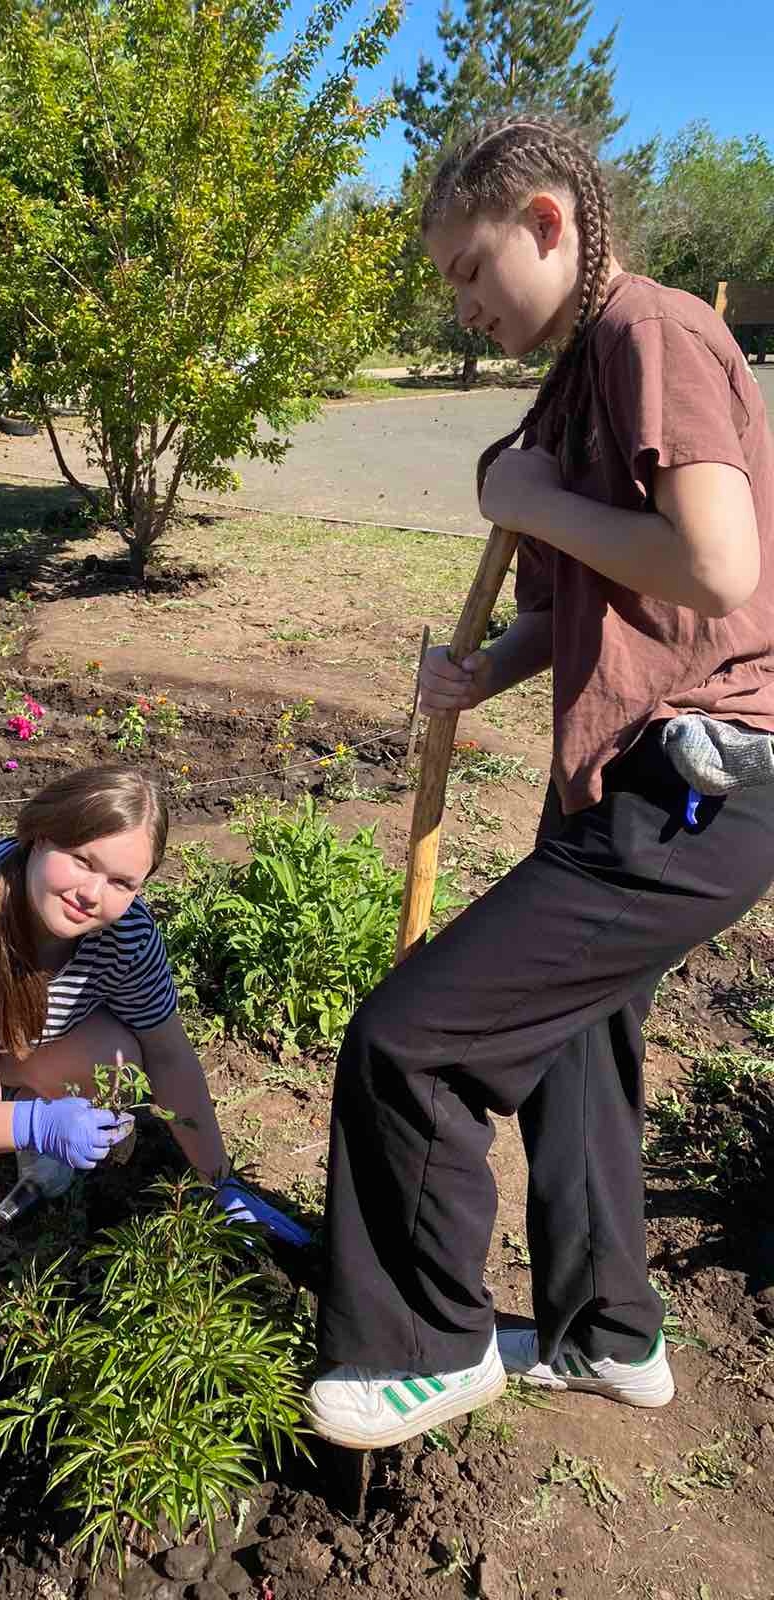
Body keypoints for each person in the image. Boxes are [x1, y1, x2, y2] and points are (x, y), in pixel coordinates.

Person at [306, 114, 774, 1450]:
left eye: (469, 266)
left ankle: (428, 1344)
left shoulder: (653, 333)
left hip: (702, 789)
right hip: (643, 787)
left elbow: (717, 565)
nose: (461, 302)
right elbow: (602, 606)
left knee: (411, 1044)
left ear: (550, 221)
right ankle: (608, 1335)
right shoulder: (584, 376)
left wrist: (524, 494)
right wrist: (482, 676)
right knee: (575, 1051)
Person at [0, 764, 306, 1241]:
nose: (92, 893)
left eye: (121, 882)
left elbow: (168, 1051)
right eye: (83, 860)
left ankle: (15, 1102)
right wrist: (36, 1126)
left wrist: (220, 1180)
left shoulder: (126, 934)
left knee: (117, 1059)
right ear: (40, 835)